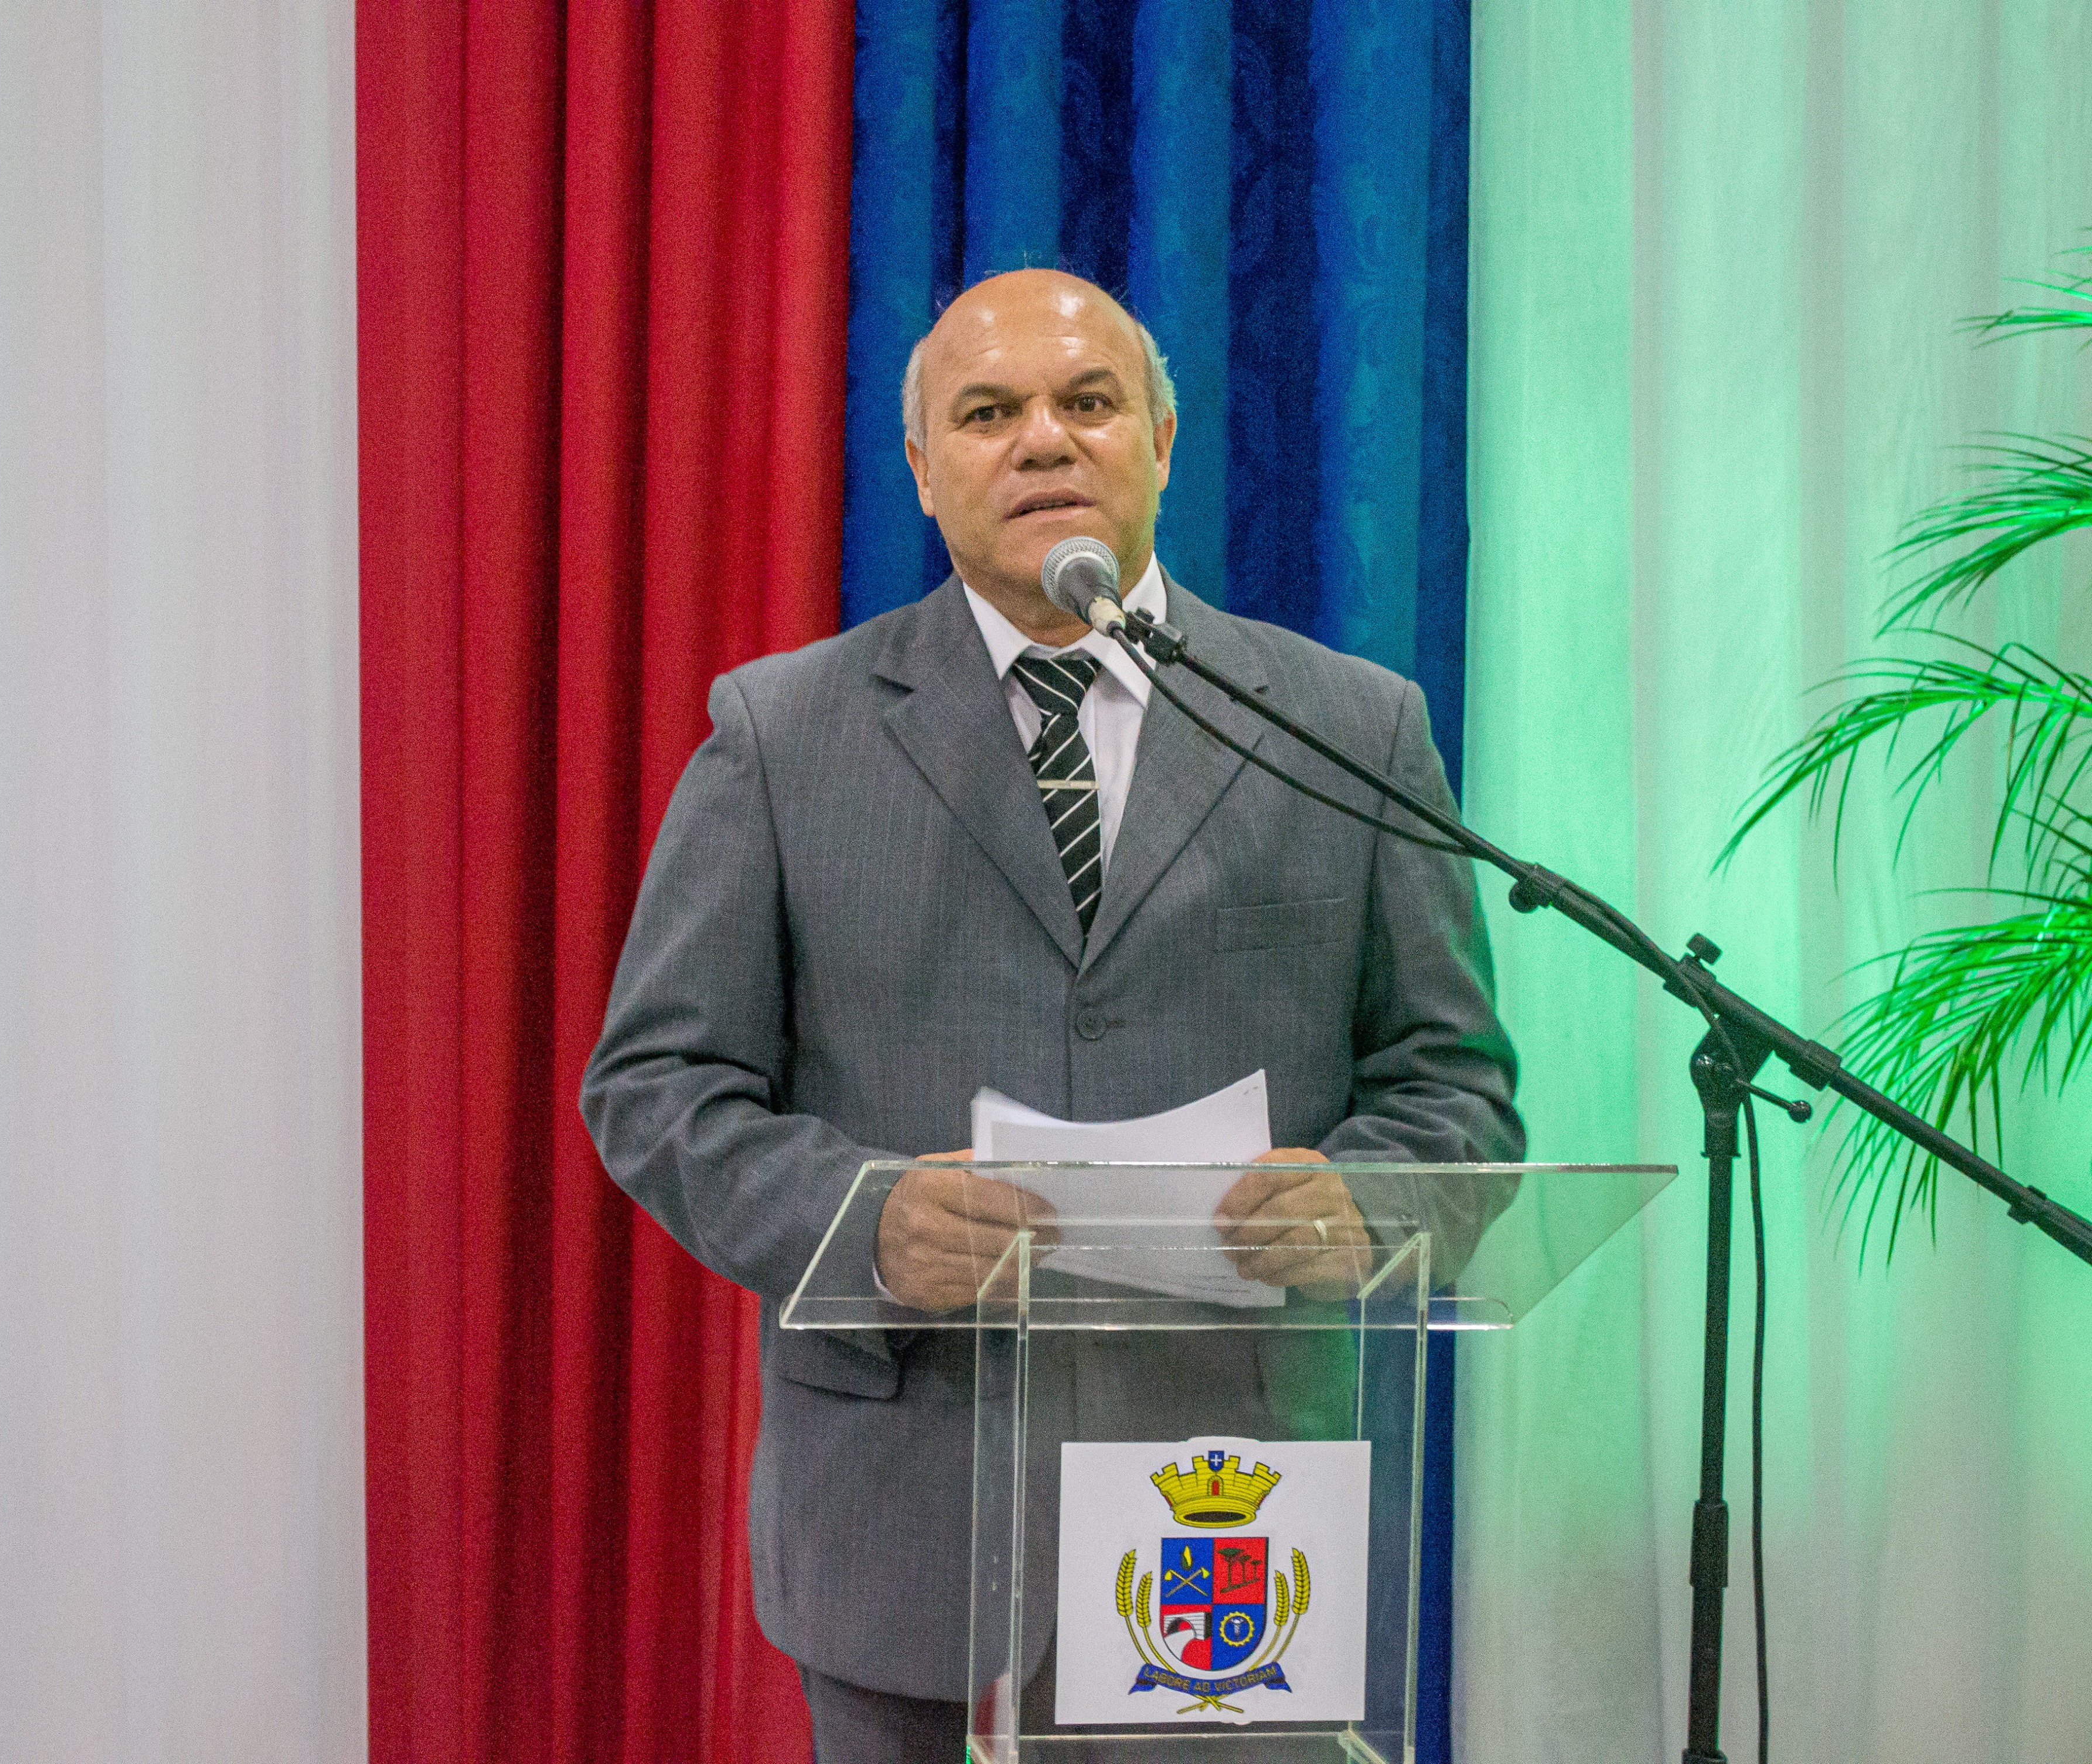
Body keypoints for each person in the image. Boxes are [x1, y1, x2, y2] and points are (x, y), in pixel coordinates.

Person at [582, 269, 1522, 1761]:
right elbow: (657, 1085)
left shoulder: (1347, 726)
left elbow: (1454, 1089)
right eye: (987, 413)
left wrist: (1367, 1199)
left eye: (1087, 402)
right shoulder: (783, 734)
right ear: (921, 466)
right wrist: (863, 1220)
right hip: (909, 1519)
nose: (1042, 439)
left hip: (1227, 1518)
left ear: (1161, 439)